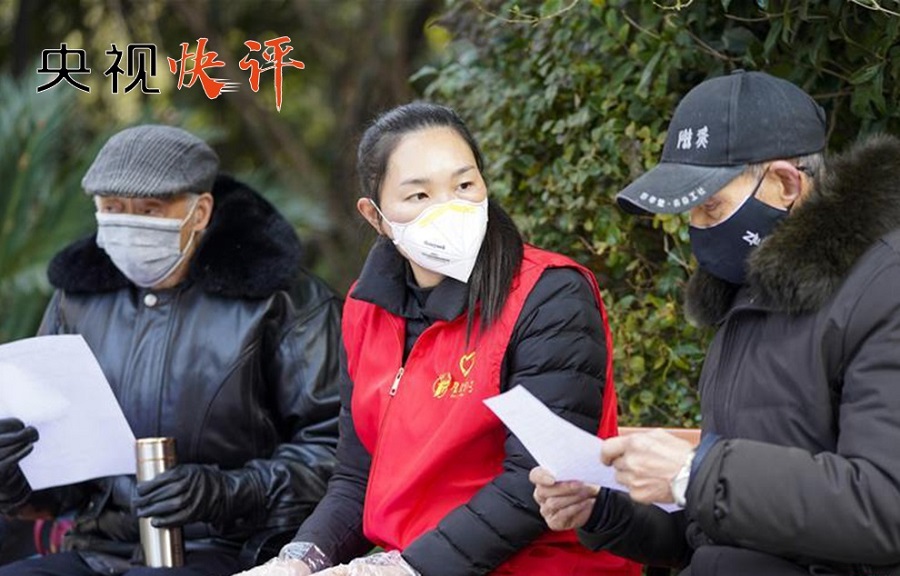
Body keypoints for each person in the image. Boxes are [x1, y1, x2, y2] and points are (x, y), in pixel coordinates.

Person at [236, 102, 641, 576]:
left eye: (464, 185)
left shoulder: (549, 296)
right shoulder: (366, 310)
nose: (448, 208)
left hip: (541, 565)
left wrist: (408, 568)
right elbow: (356, 477)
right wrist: (300, 559)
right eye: (419, 195)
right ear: (375, 216)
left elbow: (534, 481)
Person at [531, 69, 900, 574]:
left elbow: (883, 506)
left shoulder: (883, 285)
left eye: (710, 206)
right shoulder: (747, 295)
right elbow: (711, 530)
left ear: (785, 184)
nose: (697, 228)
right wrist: (603, 509)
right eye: (690, 212)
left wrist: (695, 472)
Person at [0, 125, 343, 576]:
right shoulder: (77, 299)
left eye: (150, 209)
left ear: (199, 212)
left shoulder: (283, 300)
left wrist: (229, 492)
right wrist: (13, 474)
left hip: (234, 550)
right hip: (103, 548)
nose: (129, 223)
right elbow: (64, 483)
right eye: (112, 209)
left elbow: (334, 448)